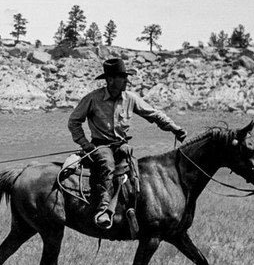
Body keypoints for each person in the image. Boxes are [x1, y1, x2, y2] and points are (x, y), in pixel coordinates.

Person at [68, 58, 187, 230]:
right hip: (101, 146)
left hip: (122, 145)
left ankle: (132, 212)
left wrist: (175, 128)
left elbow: (153, 114)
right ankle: (103, 209)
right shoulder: (93, 99)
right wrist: (86, 145)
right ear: (110, 80)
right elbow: (74, 121)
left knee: (135, 174)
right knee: (107, 166)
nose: (126, 80)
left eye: (126, 77)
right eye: (122, 77)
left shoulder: (130, 98)